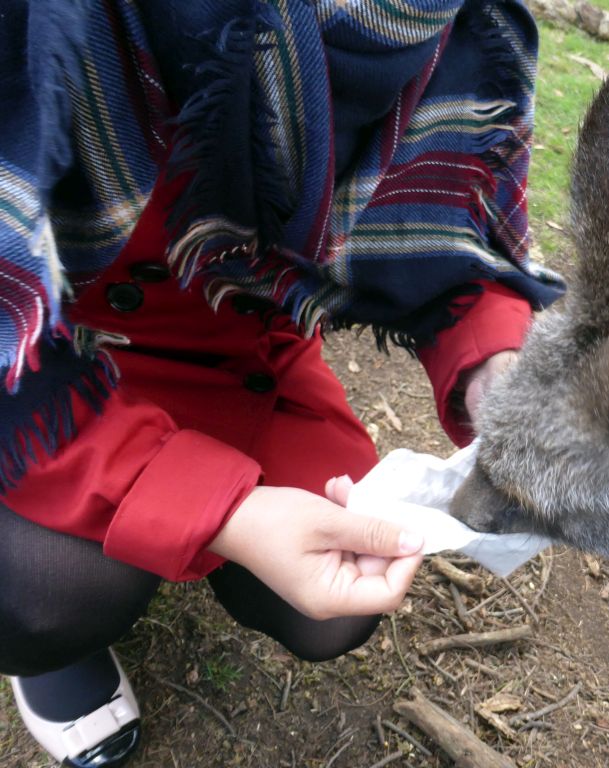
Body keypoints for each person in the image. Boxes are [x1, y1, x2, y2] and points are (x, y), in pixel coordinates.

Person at [0, 0, 564, 765]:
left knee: (335, 609)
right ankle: (55, 647)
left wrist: (494, 366)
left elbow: (456, 214)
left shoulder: (441, 21)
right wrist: (222, 511)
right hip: (46, 357)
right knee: (42, 596)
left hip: (241, 341)